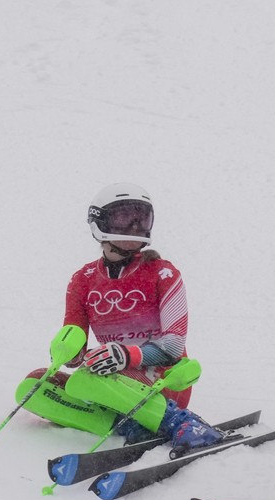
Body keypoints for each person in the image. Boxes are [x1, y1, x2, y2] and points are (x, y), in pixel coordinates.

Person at [15, 182, 224, 452]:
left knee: (85, 379)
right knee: (32, 386)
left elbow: (173, 347)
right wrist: (65, 350)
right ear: (99, 223)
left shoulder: (163, 273)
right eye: (125, 218)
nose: (135, 226)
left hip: (165, 381)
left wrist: (127, 355)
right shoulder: (83, 280)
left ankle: (181, 423)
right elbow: (75, 354)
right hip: (109, 381)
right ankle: (130, 426)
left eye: (141, 218)